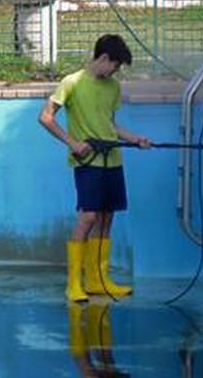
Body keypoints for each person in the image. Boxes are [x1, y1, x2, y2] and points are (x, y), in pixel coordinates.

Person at [38, 35, 151, 302]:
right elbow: (45, 117)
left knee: (106, 219)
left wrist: (135, 138)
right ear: (103, 58)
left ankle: (98, 281)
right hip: (87, 162)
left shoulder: (113, 86)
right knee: (88, 217)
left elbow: (110, 125)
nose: (116, 70)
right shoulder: (72, 83)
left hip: (112, 160)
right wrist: (73, 143)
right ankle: (74, 284)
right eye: (115, 65)